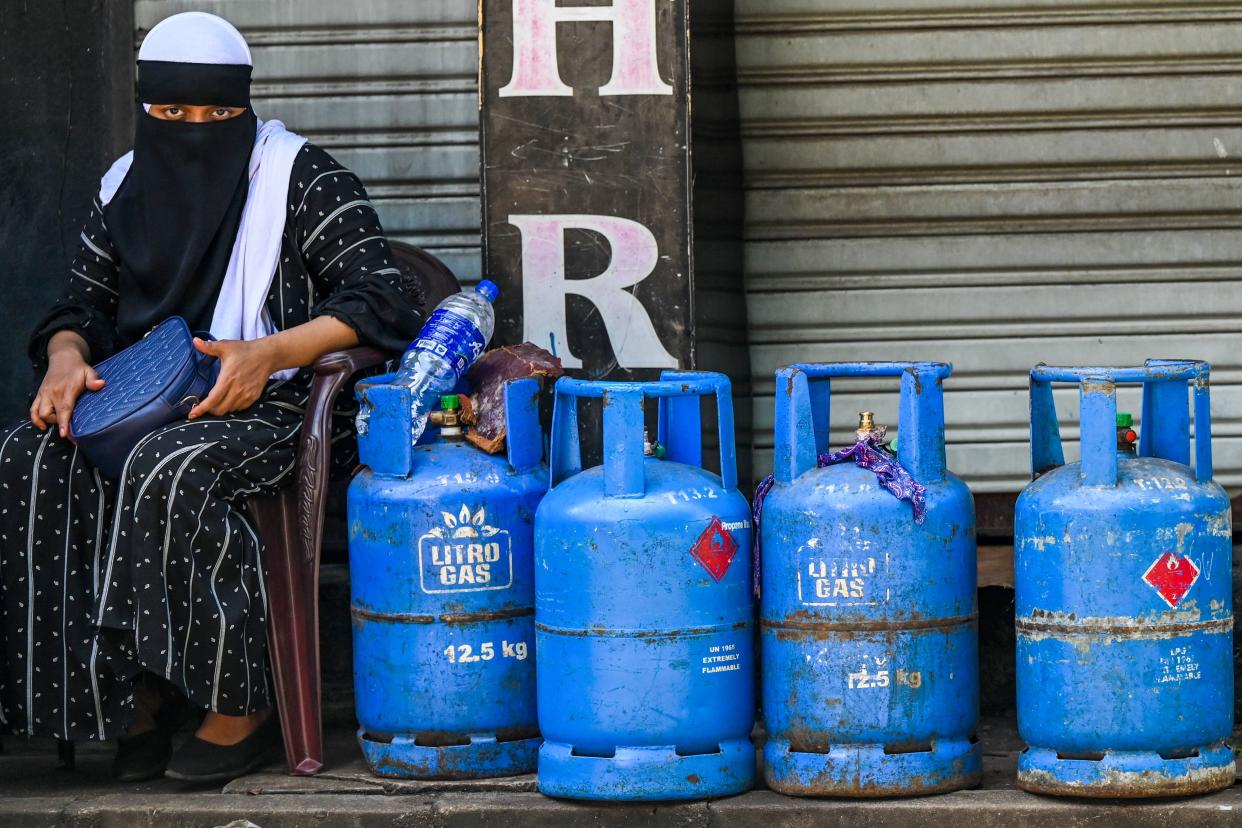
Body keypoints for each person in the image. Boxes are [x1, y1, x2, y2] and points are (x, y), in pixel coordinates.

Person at [0, 12, 424, 783]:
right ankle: (121, 703)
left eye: (218, 114)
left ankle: (240, 703)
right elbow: (82, 308)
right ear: (144, 109)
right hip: (141, 399)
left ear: (245, 107)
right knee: (27, 453)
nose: (194, 130)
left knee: (170, 465)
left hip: (279, 406)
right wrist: (66, 358)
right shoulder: (123, 184)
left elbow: (385, 299)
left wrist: (270, 352)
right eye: (170, 114)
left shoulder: (302, 176)